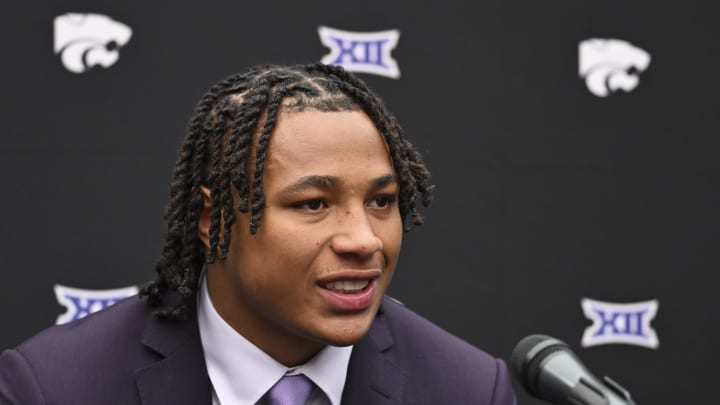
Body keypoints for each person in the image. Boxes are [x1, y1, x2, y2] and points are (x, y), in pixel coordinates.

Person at [0, 64, 516, 404]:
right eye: (313, 203)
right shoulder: (54, 387)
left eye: (381, 201)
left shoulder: (468, 389)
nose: (364, 240)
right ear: (211, 220)